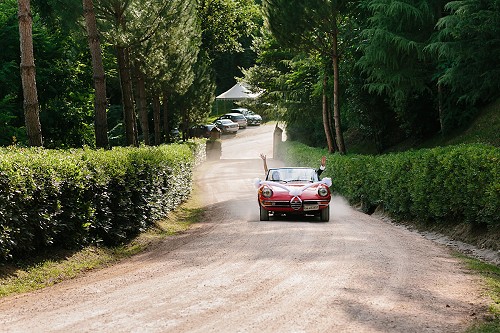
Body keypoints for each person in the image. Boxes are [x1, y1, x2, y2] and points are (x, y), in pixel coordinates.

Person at [259, 154, 326, 178]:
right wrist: (264, 161)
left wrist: (322, 166)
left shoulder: (300, 178)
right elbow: (267, 171)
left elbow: (315, 175)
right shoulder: (278, 181)